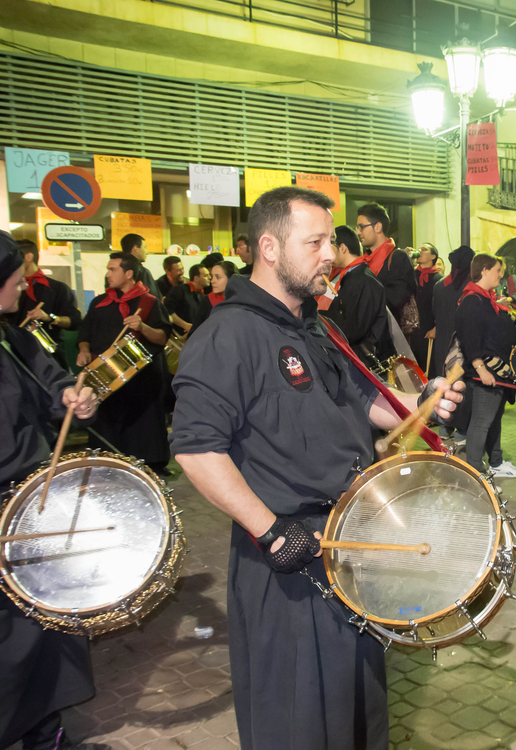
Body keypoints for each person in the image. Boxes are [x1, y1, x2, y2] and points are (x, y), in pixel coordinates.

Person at [170, 186, 463, 750]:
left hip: (349, 547)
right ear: (269, 248)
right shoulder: (227, 335)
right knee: (298, 720)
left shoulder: (315, 326)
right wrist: (270, 531)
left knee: (355, 710)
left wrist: (418, 402)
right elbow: (196, 450)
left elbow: (362, 398)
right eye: (316, 242)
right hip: (288, 556)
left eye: (331, 240)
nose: (331, 254)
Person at [0, 231, 107, 750]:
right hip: (5, 514)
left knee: (51, 623)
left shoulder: (10, 337)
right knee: (12, 638)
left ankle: (47, 736)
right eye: (15, 280)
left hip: (31, 502)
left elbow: (52, 384)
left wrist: (73, 397)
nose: (24, 287)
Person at [77, 252, 173, 475]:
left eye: (113, 270)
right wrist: (83, 351)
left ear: (128, 274)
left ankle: (147, 467)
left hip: (141, 380)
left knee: (141, 427)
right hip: (105, 378)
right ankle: (107, 464)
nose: (107, 274)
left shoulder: (150, 302)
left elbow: (162, 337)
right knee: (106, 425)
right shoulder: (99, 302)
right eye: (108, 269)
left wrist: (142, 327)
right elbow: (85, 334)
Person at [455, 253, 516, 479]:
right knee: (481, 422)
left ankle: (495, 463)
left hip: (498, 372)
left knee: (493, 420)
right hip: (486, 373)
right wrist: (481, 368)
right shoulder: (472, 301)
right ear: (485, 270)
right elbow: (470, 340)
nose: (501, 274)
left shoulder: (487, 300)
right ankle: (474, 472)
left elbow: (501, 332)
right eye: (498, 270)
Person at [318, 225, 394, 368]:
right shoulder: (352, 277)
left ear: (342, 248)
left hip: (366, 362)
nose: (328, 255)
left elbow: (354, 329)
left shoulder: (362, 280)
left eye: (330, 247)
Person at [13, 239, 82, 366]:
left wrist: (50, 317)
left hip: (50, 358)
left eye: (15, 256)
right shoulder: (8, 288)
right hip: (15, 356)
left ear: (28, 257)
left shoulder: (58, 288)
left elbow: (74, 321)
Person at [355, 203, 416, 326]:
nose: (358, 232)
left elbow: (397, 298)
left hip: (391, 330)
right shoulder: (365, 260)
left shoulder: (397, 257)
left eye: (361, 227)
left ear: (378, 227)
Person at [431, 245, 474, 379]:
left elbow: (434, 311)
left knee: (443, 381)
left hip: (442, 342)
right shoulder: (473, 286)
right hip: (463, 345)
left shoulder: (439, 285)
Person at [411, 243, 441, 377]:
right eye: (419, 249)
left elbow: (441, 307)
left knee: (427, 368)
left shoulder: (439, 280)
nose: (420, 251)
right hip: (410, 329)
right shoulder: (410, 275)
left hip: (428, 329)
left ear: (433, 256)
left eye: (424, 249)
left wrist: (436, 327)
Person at [189, 261, 236, 337]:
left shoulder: (243, 301)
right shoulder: (207, 301)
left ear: (232, 279)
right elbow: (194, 333)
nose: (212, 281)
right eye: (212, 276)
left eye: (218, 277)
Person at [164, 263, 211, 336]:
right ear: (196, 278)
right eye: (206, 275)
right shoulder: (180, 290)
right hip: (178, 336)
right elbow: (167, 309)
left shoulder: (203, 295)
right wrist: (185, 325)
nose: (210, 277)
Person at [119, 233, 162, 301]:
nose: (147, 252)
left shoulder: (115, 271)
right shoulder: (142, 272)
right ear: (136, 248)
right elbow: (152, 299)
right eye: (144, 247)